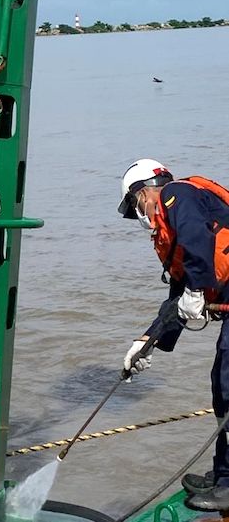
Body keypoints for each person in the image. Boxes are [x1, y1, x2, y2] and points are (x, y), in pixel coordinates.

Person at [118, 158, 229, 511]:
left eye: (135, 203)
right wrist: (147, 343)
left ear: (147, 190)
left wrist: (197, 289)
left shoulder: (176, 195)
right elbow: (178, 298)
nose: (139, 213)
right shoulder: (175, 224)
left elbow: (197, 242)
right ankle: (224, 474)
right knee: (221, 383)